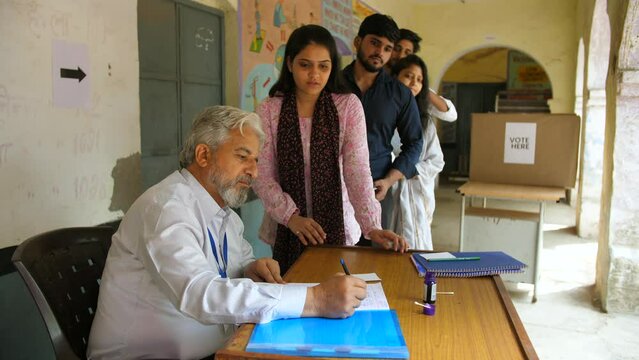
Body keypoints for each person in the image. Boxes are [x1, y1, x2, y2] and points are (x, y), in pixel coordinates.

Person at [87, 106, 368, 360]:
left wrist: (249, 267)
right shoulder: (165, 208)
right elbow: (200, 293)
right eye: (243, 157)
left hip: (221, 350)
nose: (254, 172)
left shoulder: (224, 215)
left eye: (256, 160)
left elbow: (234, 265)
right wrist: (316, 299)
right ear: (203, 154)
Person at [253, 24, 407, 274]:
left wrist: (372, 226)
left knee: (337, 297)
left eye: (323, 66)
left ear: (332, 67)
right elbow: (262, 173)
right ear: (290, 64)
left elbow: (357, 170)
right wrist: (291, 217)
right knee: (293, 297)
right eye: (305, 65)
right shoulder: (270, 110)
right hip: (286, 226)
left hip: (339, 226)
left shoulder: (347, 107)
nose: (314, 74)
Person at [341, 14, 424, 241]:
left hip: (376, 190)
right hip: (333, 188)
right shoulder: (334, 85)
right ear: (358, 42)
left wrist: (389, 180)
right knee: (334, 256)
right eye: (375, 43)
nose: (380, 53)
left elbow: (415, 142)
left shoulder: (399, 94)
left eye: (388, 48)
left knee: (372, 256)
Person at [390, 55, 445, 250]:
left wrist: (409, 170)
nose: (414, 83)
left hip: (416, 195)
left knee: (416, 249)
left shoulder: (425, 122)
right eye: (408, 76)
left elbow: (437, 161)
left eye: (420, 80)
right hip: (387, 192)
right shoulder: (382, 115)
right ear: (394, 78)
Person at [386, 28, 457, 122]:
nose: (401, 56)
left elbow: (451, 115)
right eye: (397, 49)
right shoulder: (379, 84)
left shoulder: (416, 87)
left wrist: (421, 88)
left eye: (407, 52)